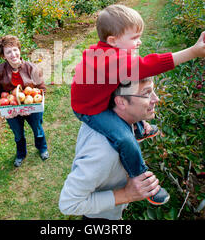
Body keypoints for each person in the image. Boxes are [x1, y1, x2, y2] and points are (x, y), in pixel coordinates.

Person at [70, 4, 205, 205]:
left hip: (94, 96)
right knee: (125, 139)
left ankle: (138, 127)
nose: (139, 41)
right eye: (134, 38)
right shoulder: (112, 61)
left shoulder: (106, 52)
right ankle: (142, 180)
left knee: (130, 95)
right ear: (113, 41)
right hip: (90, 110)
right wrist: (194, 52)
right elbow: (148, 65)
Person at [59, 78, 164, 220]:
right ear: (121, 102)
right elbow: (68, 204)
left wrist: (137, 123)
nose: (156, 99)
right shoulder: (102, 155)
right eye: (147, 93)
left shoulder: (114, 114)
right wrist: (126, 195)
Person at [0, 35, 49, 167]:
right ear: (3, 56)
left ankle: (42, 148)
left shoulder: (31, 67)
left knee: (38, 129)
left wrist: (29, 107)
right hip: (11, 108)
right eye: (8, 52)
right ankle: (21, 154)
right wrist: (4, 111)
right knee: (18, 133)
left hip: (32, 106)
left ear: (19, 50)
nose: (13, 54)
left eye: (15, 49)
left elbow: (42, 89)